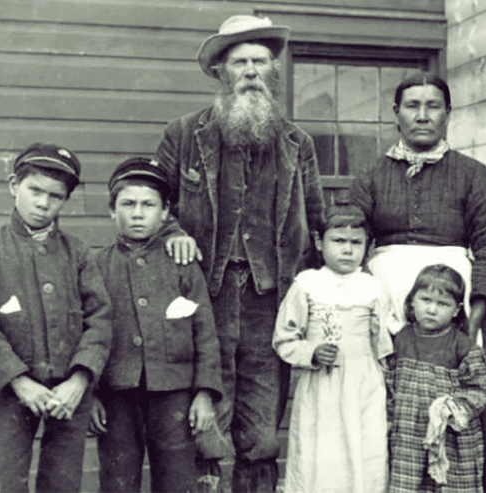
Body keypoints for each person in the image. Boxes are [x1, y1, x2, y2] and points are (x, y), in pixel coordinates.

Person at [154, 14, 325, 492]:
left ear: (273, 72)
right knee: (203, 419)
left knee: (261, 426)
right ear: (220, 73)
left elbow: (318, 220)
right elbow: (155, 201)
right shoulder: (185, 135)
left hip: (269, 302)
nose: (251, 71)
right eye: (239, 62)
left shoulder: (297, 144)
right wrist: (172, 230)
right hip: (201, 297)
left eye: (260, 62)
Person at [350, 72, 486, 492]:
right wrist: (369, 308)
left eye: (433, 105)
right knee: (389, 406)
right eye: (412, 106)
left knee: (461, 407)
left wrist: (471, 321)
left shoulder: (473, 174)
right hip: (386, 305)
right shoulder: (371, 174)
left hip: (456, 303)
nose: (423, 115)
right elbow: (351, 235)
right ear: (396, 114)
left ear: (448, 113)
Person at [0, 143, 112, 493]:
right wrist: (19, 382)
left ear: (66, 200)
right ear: (13, 185)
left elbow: (100, 319)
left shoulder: (78, 251)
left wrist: (80, 380)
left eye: (55, 196)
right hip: (10, 389)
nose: (43, 203)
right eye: (34, 190)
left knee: (63, 480)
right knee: (4, 478)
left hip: (70, 392)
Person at [88, 157, 223, 492]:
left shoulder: (182, 263)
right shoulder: (95, 265)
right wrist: (90, 395)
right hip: (116, 392)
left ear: (165, 213)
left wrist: (204, 393)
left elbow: (204, 332)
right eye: (127, 204)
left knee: (177, 479)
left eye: (148, 205)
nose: (137, 213)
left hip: (174, 392)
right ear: (111, 211)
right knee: (118, 479)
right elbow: (85, 332)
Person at [272, 203, 392, 493]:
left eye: (356, 242)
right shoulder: (307, 285)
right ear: (319, 241)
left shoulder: (373, 287)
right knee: (320, 456)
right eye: (338, 241)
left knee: (365, 450)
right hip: (321, 387)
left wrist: (388, 385)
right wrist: (311, 352)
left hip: (363, 385)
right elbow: (284, 338)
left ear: (368, 245)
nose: (348, 250)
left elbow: (384, 345)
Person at [388, 264, 486, 492]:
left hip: (451, 437)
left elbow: (480, 389)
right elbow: (388, 384)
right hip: (407, 435)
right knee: (409, 483)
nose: (432, 310)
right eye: (426, 300)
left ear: (456, 310)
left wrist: (451, 408)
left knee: (450, 484)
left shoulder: (463, 347)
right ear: (411, 302)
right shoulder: (401, 340)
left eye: (442, 304)